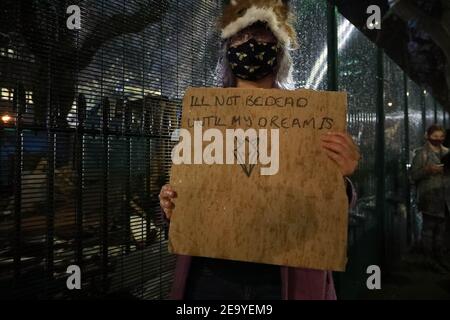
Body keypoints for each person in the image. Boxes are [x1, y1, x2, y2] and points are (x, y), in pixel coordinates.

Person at [159, 0, 360, 300]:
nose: (250, 44)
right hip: (210, 277)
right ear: (227, 48)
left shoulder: (310, 118)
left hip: (283, 279)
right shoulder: (203, 114)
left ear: (279, 47)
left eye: (261, 35)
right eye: (240, 36)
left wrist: (341, 177)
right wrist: (172, 205)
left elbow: (331, 207)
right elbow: (189, 191)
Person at [411, 124, 450, 271]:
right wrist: (427, 170)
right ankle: (429, 260)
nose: (438, 140)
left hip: (445, 198)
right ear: (427, 136)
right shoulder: (421, 154)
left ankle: (439, 258)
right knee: (429, 230)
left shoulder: (447, 153)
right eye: (435, 137)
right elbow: (413, 176)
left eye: (441, 137)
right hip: (429, 198)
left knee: (441, 231)